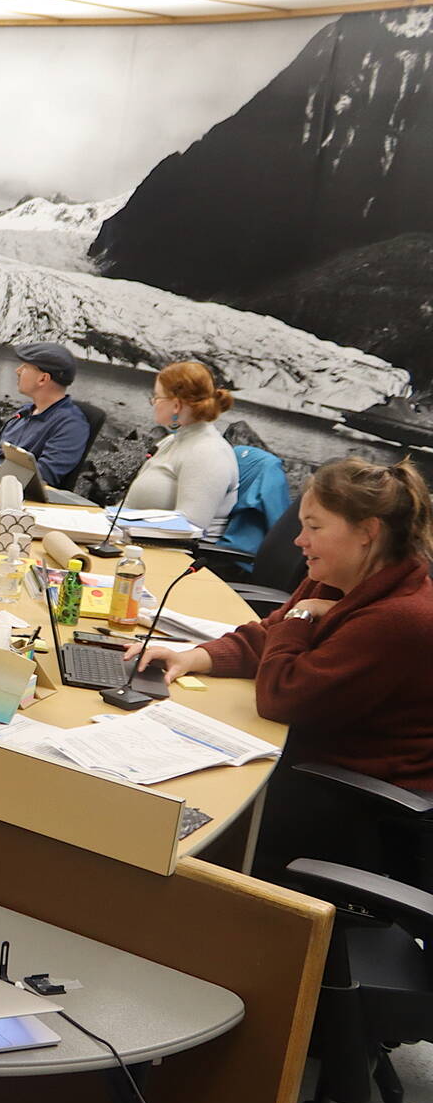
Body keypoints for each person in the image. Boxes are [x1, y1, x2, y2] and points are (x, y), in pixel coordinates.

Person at [129, 457, 433, 878]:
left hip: (353, 802)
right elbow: (269, 635)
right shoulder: (343, 577)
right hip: (306, 759)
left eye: (314, 527)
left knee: (171, 822)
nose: (299, 540)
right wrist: (194, 656)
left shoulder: (399, 618)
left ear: (368, 532)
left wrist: (302, 615)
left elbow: (281, 695)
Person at [122, 361, 239, 539]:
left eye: (157, 397)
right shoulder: (172, 441)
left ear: (176, 405)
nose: (153, 402)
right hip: (136, 540)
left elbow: (190, 526)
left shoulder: (208, 453)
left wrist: (124, 524)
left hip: (172, 555)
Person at [0, 342, 92, 487]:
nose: (17, 371)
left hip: (14, 497)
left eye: (24, 367)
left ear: (43, 379)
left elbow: (43, 475)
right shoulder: (25, 411)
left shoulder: (71, 425)